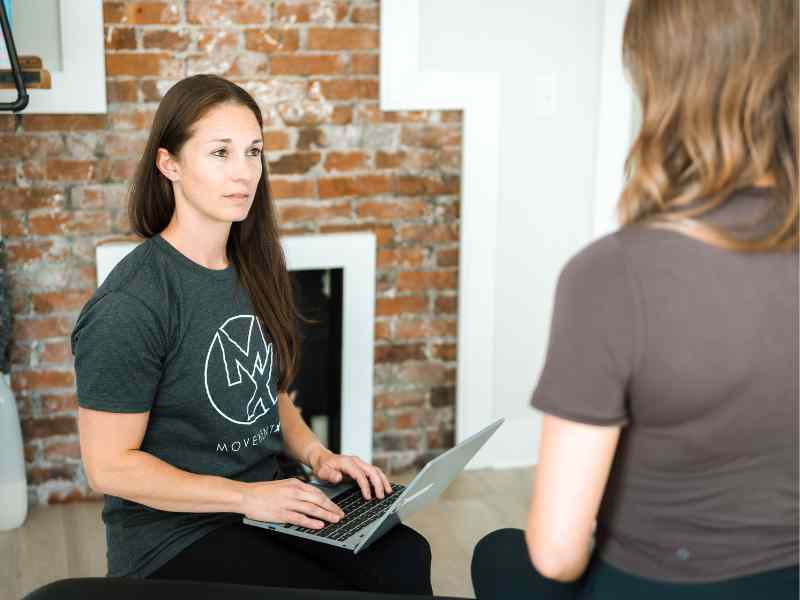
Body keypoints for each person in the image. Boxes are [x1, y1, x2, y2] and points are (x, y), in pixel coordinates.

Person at [471, 0, 798, 598]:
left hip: (658, 584)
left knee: (498, 556)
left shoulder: (612, 276)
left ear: (663, 85)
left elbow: (557, 554)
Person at [71, 74, 432, 594]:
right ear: (169, 163)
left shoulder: (251, 264)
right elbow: (109, 467)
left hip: (266, 499)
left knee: (403, 554)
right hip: (176, 537)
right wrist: (246, 499)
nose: (243, 173)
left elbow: (267, 392)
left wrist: (317, 456)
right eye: (220, 152)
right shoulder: (131, 304)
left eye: (253, 152)